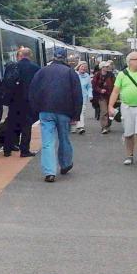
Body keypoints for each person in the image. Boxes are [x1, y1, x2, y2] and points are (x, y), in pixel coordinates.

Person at [28, 46, 83, 183]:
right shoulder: (70, 73)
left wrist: (36, 110)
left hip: (45, 111)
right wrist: (76, 115)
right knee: (64, 138)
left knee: (47, 142)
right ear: (65, 58)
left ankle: (49, 172)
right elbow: (78, 95)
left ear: (53, 57)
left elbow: (32, 93)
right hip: (65, 111)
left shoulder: (41, 72)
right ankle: (65, 164)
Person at [2, 47, 40, 157]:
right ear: (30, 55)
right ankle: (24, 150)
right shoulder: (35, 68)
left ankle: (7, 150)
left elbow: (5, 83)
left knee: (11, 125)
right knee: (26, 126)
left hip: (14, 101)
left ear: (20, 55)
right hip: (27, 101)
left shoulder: (12, 66)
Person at [92, 61, 116, 134]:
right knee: (104, 111)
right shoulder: (97, 75)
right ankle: (104, 127)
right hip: (101, 96)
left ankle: (108, 125)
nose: (108, 67)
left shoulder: (111, 75)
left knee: (111, 111)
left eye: (108, 66)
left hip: (111, 95)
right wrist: (100, 90)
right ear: (102, 67)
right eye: (106, 66)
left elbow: (115, 84)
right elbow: (94, 85)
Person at [73, 61, 92, 134]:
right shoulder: (74, 74)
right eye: (82, 66)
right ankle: (74, 126)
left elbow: (89, 87)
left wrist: (90, 95)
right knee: (75, 111)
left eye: (85, 67)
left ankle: (81, 126)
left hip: (83, 97)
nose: (83, 68)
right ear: (79, 67)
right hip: (74, 96)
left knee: (82, 112)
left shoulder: (87, 76)